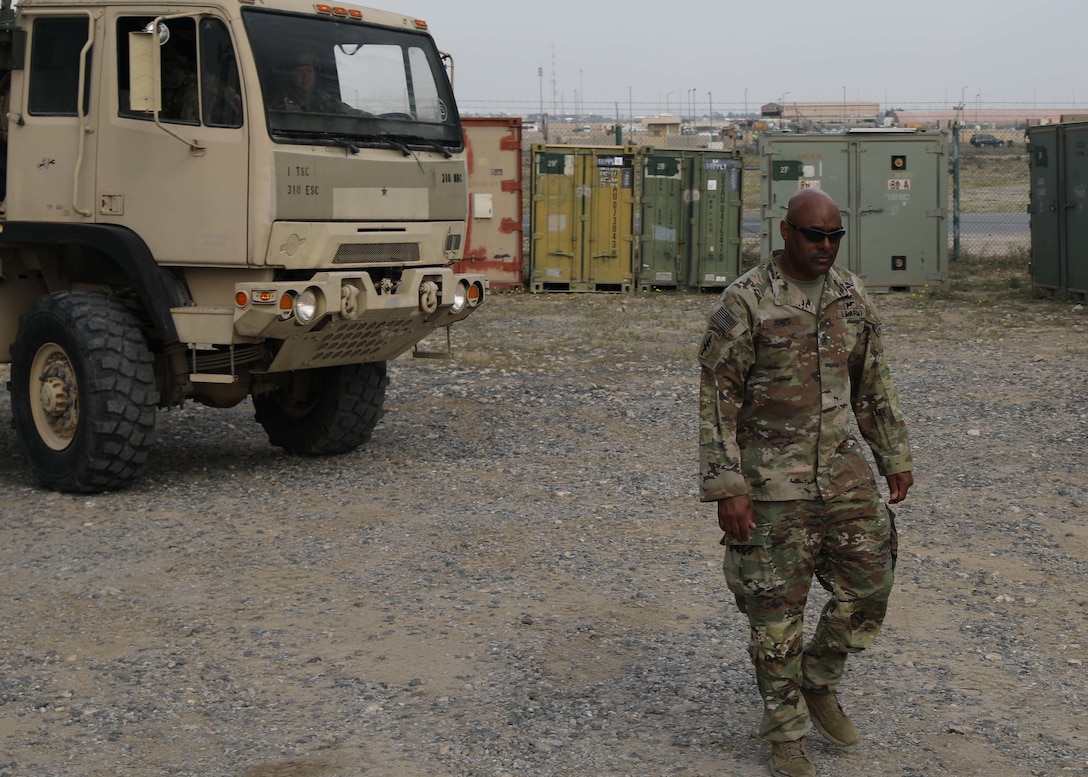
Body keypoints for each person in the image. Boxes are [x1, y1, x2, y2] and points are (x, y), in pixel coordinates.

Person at [697, 188, 914, 777]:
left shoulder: (851, 294)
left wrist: (893, 453)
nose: (825, 247)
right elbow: (717, 401)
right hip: (770, 487)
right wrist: (727, 487)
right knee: (775, 613)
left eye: (834, 237)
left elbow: (872, 382)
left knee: (870, 587)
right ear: (786, 232)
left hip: (844, 477)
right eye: (814, 236)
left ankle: (819, 681)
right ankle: (786, 732)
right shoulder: (746, 302)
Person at [269, 52, 357, 114]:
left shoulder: (323, 100)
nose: (305, 76)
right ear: (290, 75)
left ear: (315, 75)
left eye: (309, 71)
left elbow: (351, 115)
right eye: (300, 71)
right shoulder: (278, 101)